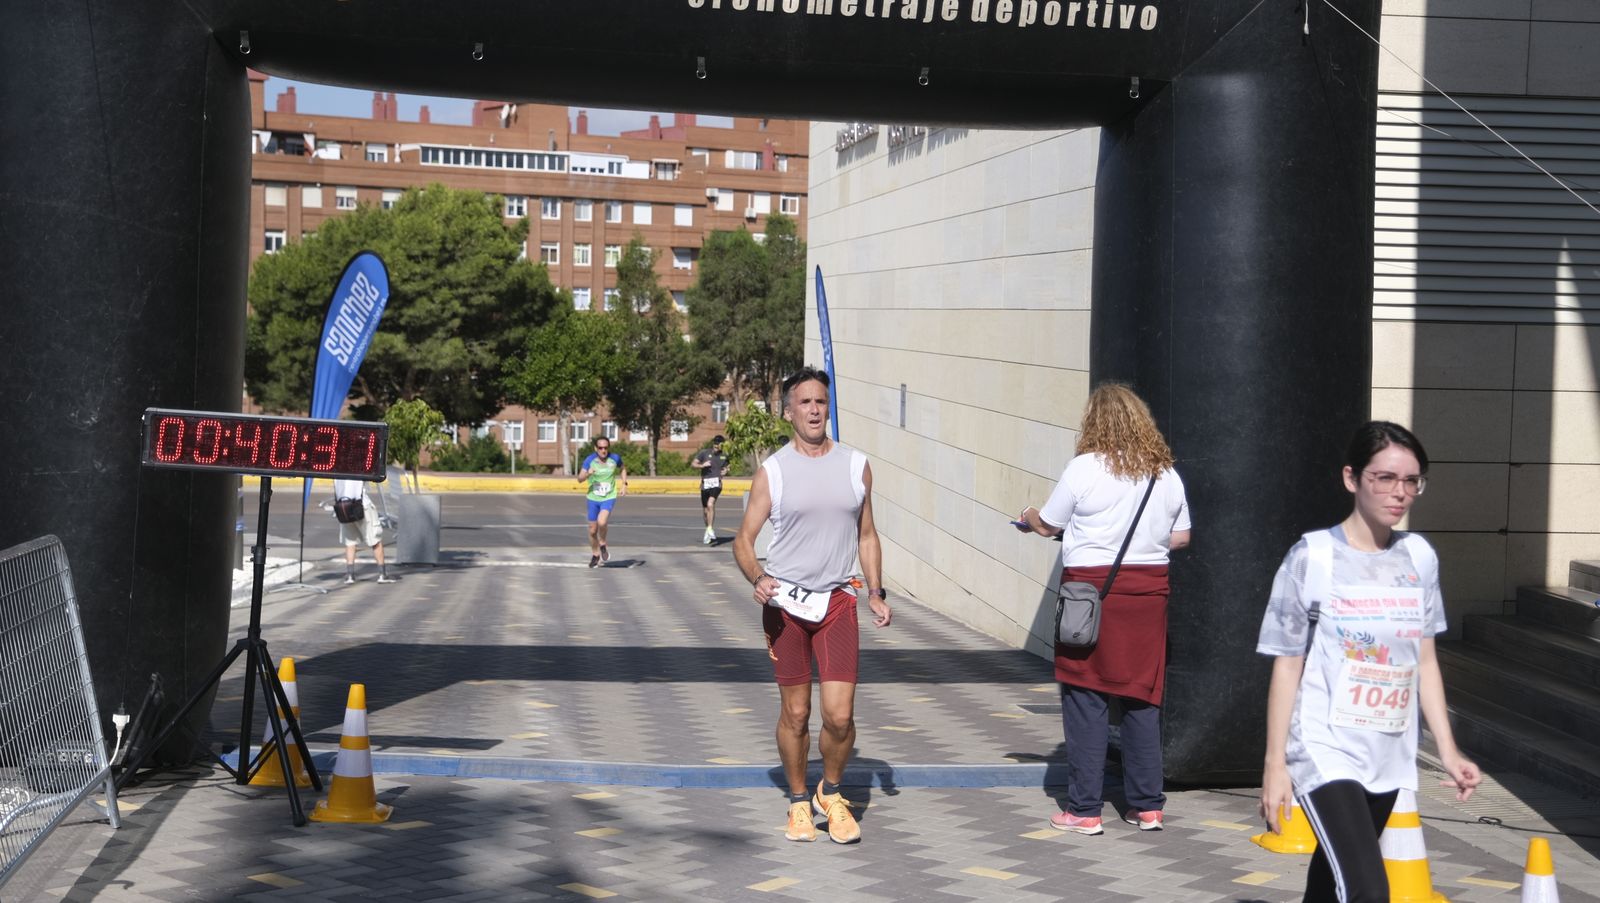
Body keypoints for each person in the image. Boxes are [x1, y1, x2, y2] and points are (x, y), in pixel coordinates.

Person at [1257, 421, 1479, 902]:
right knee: (1367, 890)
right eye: (1385, 478)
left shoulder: (1418, 557)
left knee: (1331, 878)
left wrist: (1447, 749)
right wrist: (1276, 764)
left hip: (1388, 747)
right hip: (1323, 745)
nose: (1399, 493)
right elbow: (1287, 664)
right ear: (1351, 479)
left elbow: (1425, 659)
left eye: (1411, 481)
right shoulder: (1312, 557)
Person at [1016, 383, 1191, 835]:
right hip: (1148, 598)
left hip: (1089, 597)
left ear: (1094, 422)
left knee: (1085, 697)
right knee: (1142, 698)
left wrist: (1029, 514)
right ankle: (1147, 806)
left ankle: (1084, 810)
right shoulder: (1165, 473)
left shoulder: (1084, 469)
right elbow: (1182, 536)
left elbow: (1050, 523)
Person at [733, 366, 892, 845]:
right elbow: (743, 540)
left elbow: (867, 534)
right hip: (785, 605)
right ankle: (800, 801)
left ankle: (833, 791)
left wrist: (876, 590)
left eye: (821, 401)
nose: (815, 409)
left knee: (839, 716)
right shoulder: (774, 471)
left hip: (839, 600)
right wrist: (758, 577)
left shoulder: (855, 465)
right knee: (797, 713)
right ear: (788, 412)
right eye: (804, 402)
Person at [332, 478, 395, 584]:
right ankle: (382, 574)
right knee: (375, 539)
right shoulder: (358, 466)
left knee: (350, 542)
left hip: (343, 506)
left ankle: (350, 576)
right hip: (362, 505)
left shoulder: (337, 468)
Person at [576, 439, 627, 568]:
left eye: (605, 448)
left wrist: (624, 484)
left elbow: (623, 468)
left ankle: (603, 543)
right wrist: (588, 474)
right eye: (600, 448)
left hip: (608, 496)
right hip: (593, 497)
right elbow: (579, 479)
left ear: (608, 448)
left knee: (602, 521)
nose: (603, 450)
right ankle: (595, 554)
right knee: (592, 530)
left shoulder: (615, 458)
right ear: (595, 448)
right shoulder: (590, 460)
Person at [690, 434, 729, 545]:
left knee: (710, 504)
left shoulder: (724, 455)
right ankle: (708, 530)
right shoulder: (704, 453)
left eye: (719, 443)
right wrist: (702, 465)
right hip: (705, 484)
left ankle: (710, 528)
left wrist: (725, 471)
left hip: (717, 484)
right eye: (715, 443)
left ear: (722, 445)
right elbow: (693, 464)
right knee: (705, 510)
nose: (717, 445)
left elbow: (727, 467)